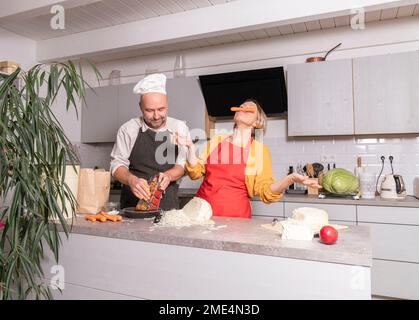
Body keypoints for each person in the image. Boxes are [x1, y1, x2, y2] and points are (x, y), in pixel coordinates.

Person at [174, 99, 321, 218]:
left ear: (257, 123)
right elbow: (195, 173)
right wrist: (190, 148)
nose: (243, 107)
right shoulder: (217, 140)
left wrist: (289, 179)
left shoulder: (259, 151)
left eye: (249, 108)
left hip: (235, 219)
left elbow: (265, 191)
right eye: (241, 106)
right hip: (200, 213)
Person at [110, 73, 189, 210]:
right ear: (140, 107)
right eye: (149, 110)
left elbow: (182, 166)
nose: (156, 116)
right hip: (132, 206)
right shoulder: (129, 129)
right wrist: (131, 180)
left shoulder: (179, 127)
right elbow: (116, 165)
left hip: (168, 207)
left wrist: (169, 175)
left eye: (161, 109)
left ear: (167, 104)